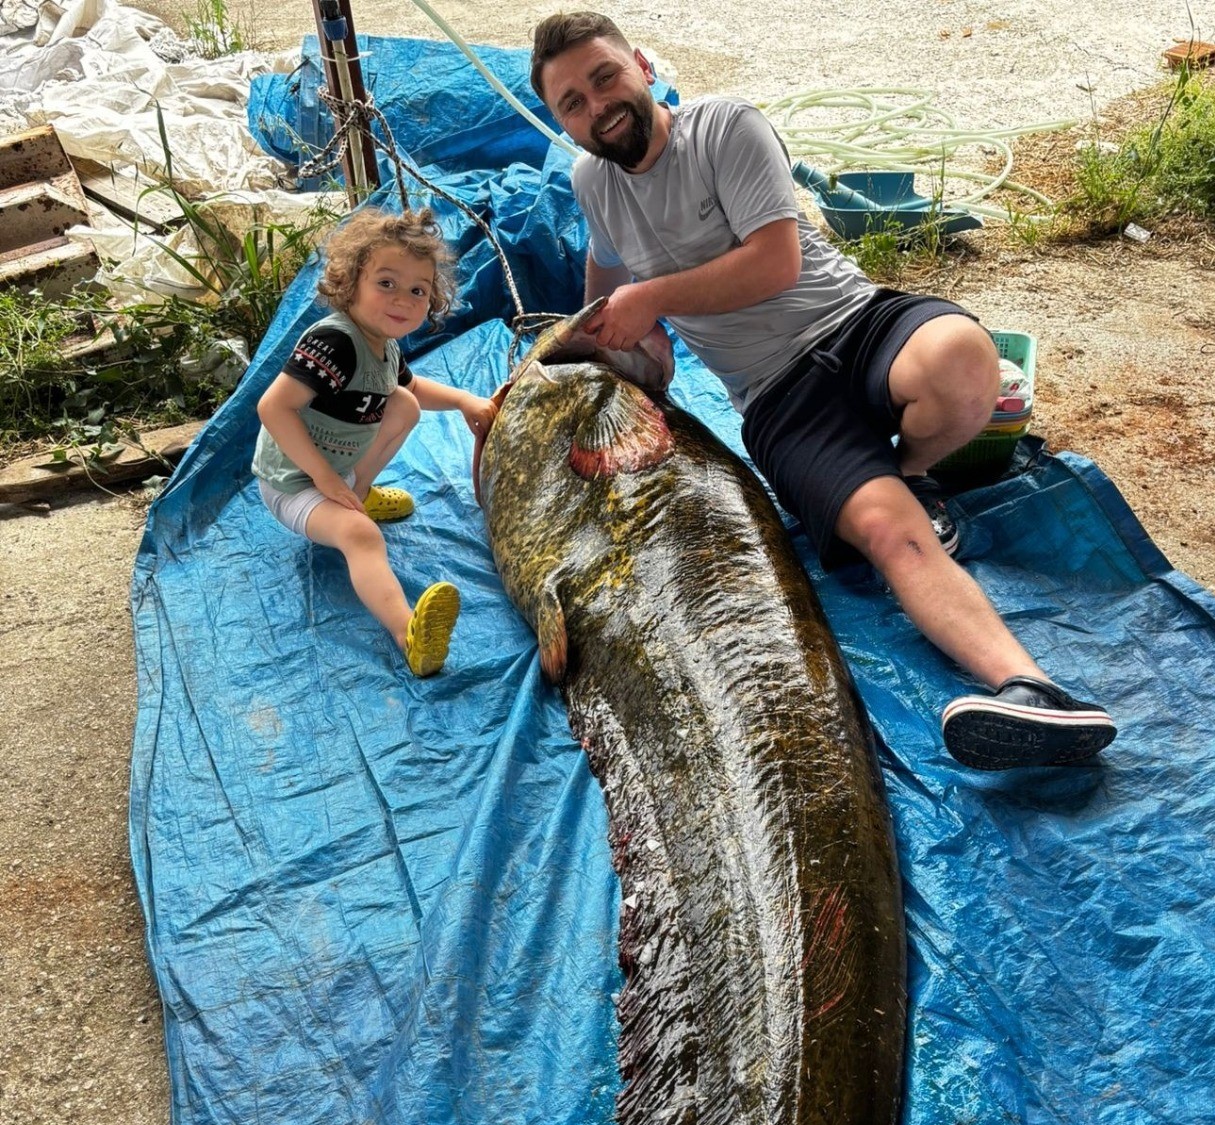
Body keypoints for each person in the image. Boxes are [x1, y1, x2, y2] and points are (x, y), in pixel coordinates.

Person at [527, 12, 1116, 769]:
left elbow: (774, 264)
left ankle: (910, 468)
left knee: (966, 362)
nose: (596, 105)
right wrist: (629, 349)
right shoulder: (591, 183)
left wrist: (656, 300)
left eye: (604, 77)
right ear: (560, 121)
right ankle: (1031, 689)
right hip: (778, 401)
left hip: (857, 324)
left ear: (641, 65)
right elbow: (607, 302)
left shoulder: (724, 127)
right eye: (571, 101)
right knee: (891, 537)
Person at [253, 207, 498, 677]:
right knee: (361, 536)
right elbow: (272, 408)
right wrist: (324, 479)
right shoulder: (336, 342)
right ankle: (410, 638)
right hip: (293, 481)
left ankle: (359, 491)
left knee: (403, 402)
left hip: (333, 469)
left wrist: (468, 400)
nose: (402, 299)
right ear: (351, 282)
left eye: (417, 290)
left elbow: (415, 390)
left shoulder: (383, 346)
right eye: (386, 282)